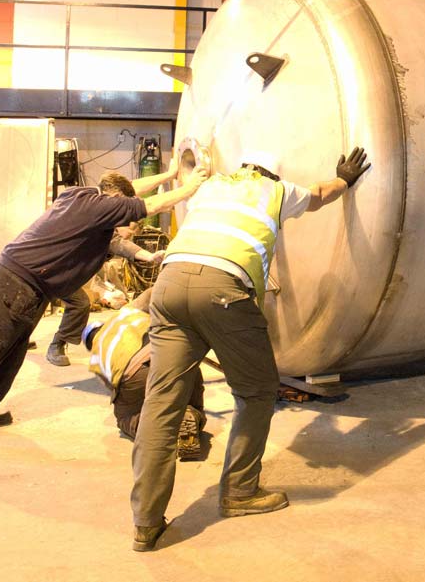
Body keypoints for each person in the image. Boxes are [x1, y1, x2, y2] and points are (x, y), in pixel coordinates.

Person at [129, 147, 371, 552]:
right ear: (270, 174)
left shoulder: (209, 188)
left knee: (161, 404)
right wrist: (344, 178)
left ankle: (145, 522)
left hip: (169, 285)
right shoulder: (276, 191)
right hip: (223, 290)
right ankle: (239, 491)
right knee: (257, 391)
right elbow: (320, 194)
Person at [0, 160, 209, 448]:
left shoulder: (86, 201)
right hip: (16, 283)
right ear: (113, 200)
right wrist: (190, 187)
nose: (125, 222)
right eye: (123, 211)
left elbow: (131, 196)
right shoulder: (97, 207)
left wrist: (171, 175)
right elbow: (149, 205)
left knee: (10, 354)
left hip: (31, 288)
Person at [82, 289, 206, 459]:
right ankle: (192, 413)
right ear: (101, 325)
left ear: (90, 343)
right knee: (191, 394)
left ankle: (162, 429)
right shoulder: (125, 314)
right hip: (178, 355)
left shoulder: (96, 356)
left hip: (138, 370)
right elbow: (153, 293)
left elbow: (117, 390)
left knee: (125, 415)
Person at [46, 225, 166, 367]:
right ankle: (56, 345)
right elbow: (119, 244)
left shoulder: (102, 232)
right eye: (130, 228)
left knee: (41, 305)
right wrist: (150, 256)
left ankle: (21, 339)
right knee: (79, 302)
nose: (131, 233)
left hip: (61, 273)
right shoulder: (103, 228)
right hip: (50, 268)